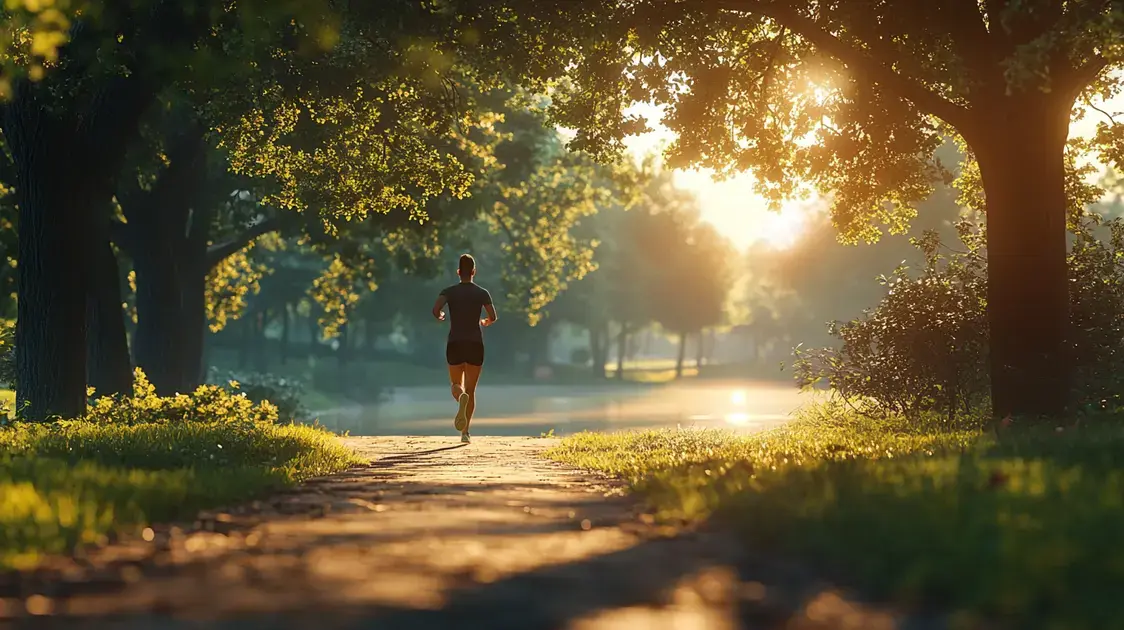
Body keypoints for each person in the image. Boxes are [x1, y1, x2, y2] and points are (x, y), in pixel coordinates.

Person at [432, 253, 497, 443]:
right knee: (471, 390)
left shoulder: (449, 291)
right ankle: (465, 433)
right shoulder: (482, 292)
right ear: (474, 272)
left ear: (459, 272)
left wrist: (441, 315)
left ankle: (460, 397)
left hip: (455, 343)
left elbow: (435, 310)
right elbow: (493, 315)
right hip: (475, 344)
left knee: (455, 385)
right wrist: (486, 321)